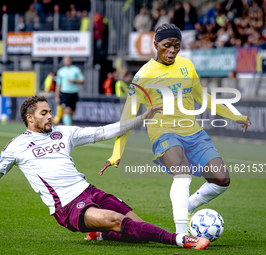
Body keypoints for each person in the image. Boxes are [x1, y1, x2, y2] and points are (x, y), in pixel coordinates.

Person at [0, 96, 209, 250]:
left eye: (50, 112)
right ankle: (181, 240)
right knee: (116, 219)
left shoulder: (64, 133)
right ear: (30, 118)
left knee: (135, 228)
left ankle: (100, 234)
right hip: (68, 206)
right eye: (44, 113)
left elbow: (104, 131)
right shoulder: (16, 146)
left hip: (90, 191)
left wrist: (142, 118)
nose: (50, 116)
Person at [100, 24, 251, 235]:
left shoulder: (187, 65)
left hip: (194, 132)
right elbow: (128, 116)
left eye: (177, 46)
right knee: (182, 174)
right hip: (164, 133)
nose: (172, 50)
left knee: (221, 179)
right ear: (156, 45)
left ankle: (187, 206)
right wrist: (116, 153)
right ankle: (182, 235)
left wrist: (235, 116)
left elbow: (202, 97)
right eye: (167, 45)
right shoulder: (143, 76)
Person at [55, 56, 84, 126]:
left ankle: (68, 125)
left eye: (68, 59)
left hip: (73, 93)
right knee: (66, 110)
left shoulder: (76, 70)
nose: (67, 61)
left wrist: (74, 81)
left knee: (71, 112)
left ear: (71, 60)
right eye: (66, 59)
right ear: (63, 61)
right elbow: (58, 84)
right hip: (64, 93)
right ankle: (67, 128)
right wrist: (56, 96)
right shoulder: (60, 71)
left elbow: (82, 81)